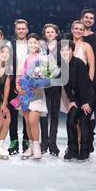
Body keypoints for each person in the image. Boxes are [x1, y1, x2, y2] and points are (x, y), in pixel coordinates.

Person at [61, 41, 96, 162]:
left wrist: (85, 102)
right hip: (77, 96)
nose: (65, 52)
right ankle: (73, 149)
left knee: (83, 121)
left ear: (72, 50)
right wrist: (71, 100)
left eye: (67, 50)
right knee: (70, 120)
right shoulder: (62, 65)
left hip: (88, 95)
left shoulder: (79, 63)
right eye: (63, 50)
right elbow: (65, 84)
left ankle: (85, 150)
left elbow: (83, 84)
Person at [15, 33, 48, 160]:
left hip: (37, 93)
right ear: (27, 44)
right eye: (31, 42)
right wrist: (18, 87)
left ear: (38, 44)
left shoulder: (43, 58)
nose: (33, 44)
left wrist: (38, 84)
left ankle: (37, 146)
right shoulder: (23, 58)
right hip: (24, 93)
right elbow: (18, 76)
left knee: (34, 120)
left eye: (35, 42)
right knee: (27, 121)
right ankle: (30, 147)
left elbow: (47, 78)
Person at [7, 19, 30, 155]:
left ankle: (27, 140)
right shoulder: (10, 45)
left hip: (29, 83)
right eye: (19, 29)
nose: (21, 31)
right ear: (15, 30)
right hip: (13, 83)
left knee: (26, 113)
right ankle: (14, 140)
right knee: (13, 113)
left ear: (27, 30)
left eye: (23, 28)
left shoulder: (32, 44)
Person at [39, 23, 62, 156]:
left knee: (54, 114)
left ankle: (53, 143)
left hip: (57, 84)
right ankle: (44, 143)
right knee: (43, 113)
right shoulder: (41, 47)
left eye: (52, 32)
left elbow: (63, 65)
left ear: (56, 33)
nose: (50, 34)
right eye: (47, 32)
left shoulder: (61, 47)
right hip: (44, 85)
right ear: (45, 34)